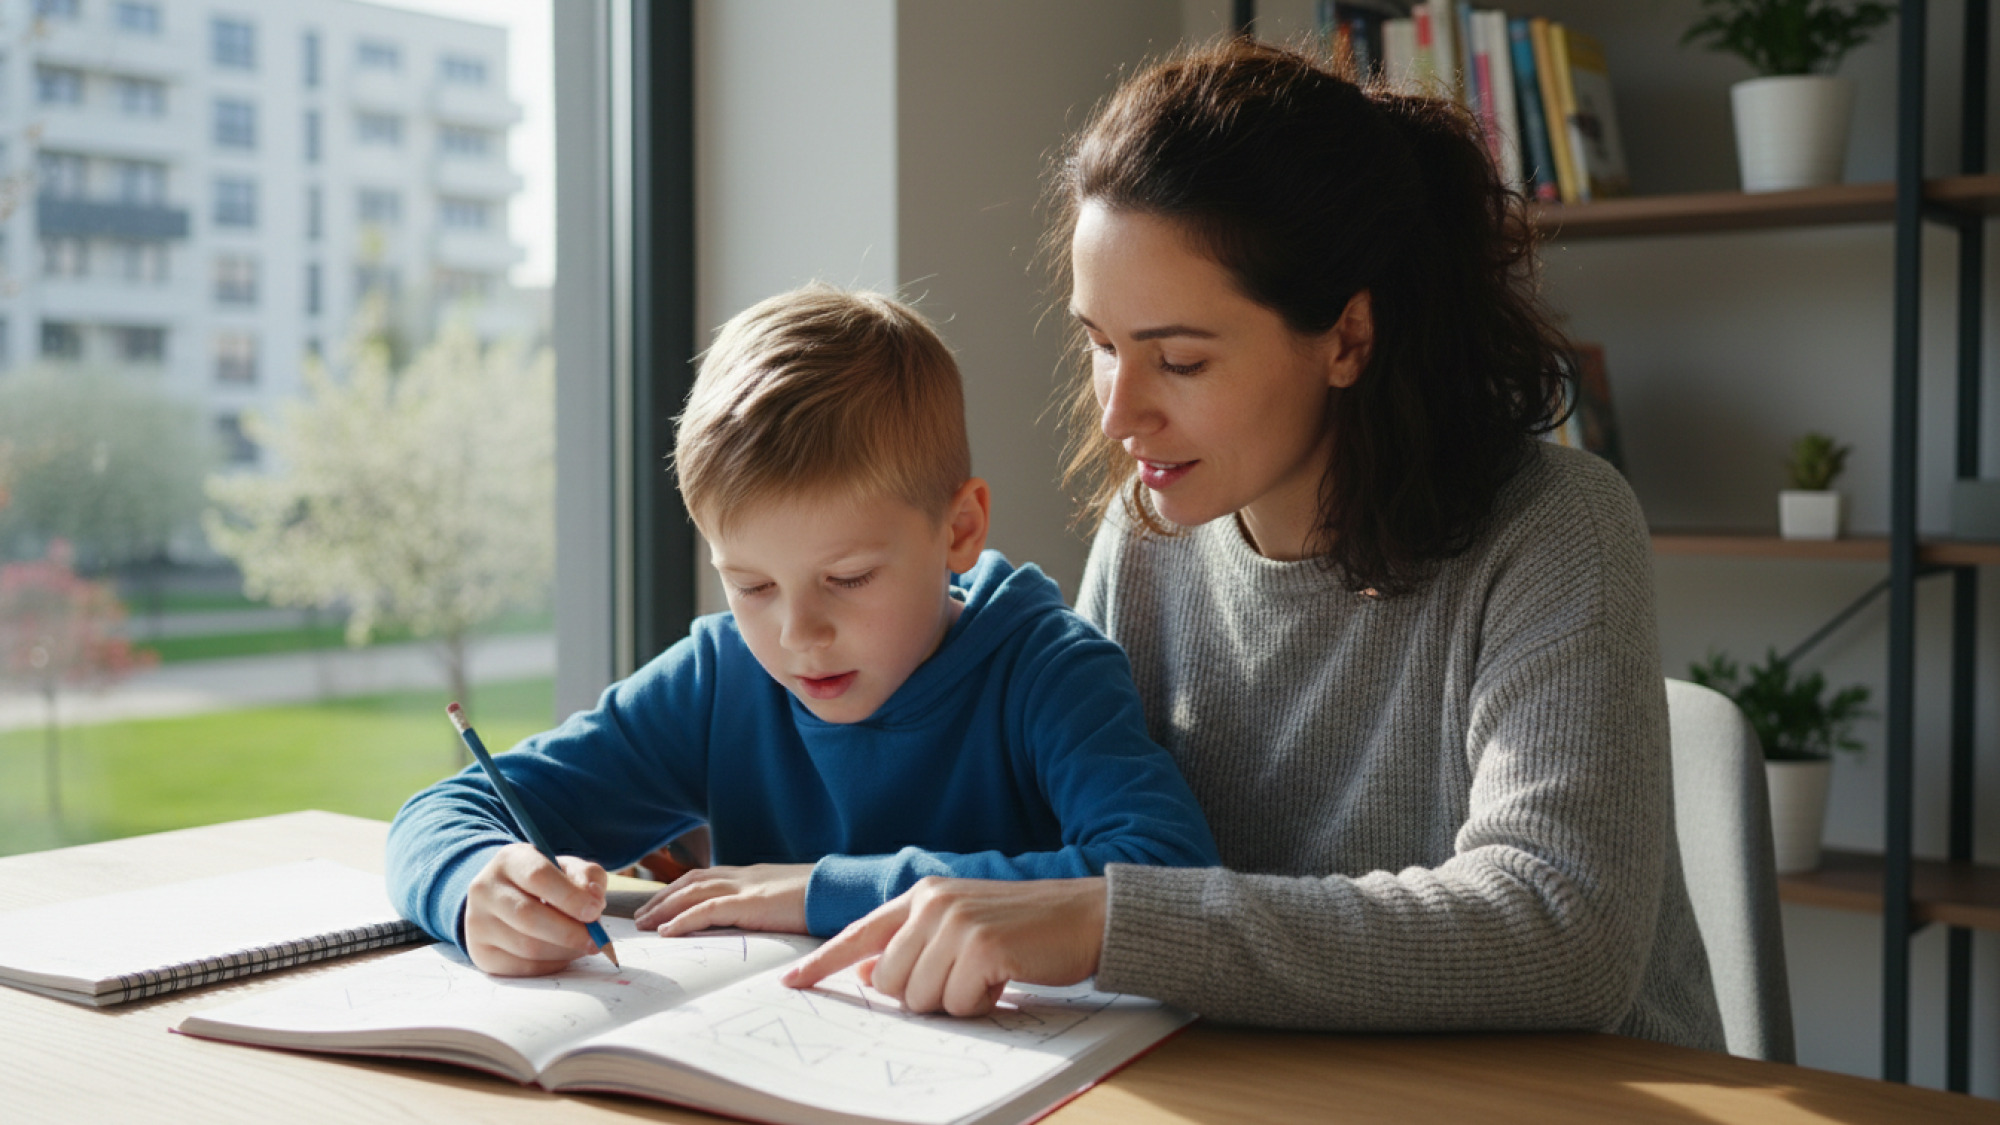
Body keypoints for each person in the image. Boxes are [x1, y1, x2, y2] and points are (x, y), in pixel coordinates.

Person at [781, 40, 1728, 1052]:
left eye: (1177, 360)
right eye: (1100, 346)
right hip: (1270, 1085)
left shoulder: (1553, 528)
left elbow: (1560, 928)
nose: (1116, 416)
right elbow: (1060, 850)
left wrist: (1115, 922)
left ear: (1347, 339)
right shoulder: (1144, 539)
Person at [385, 284, 1220, 976]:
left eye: (848, 579)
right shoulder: (721, 680)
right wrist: (474, 885)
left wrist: (823, 889)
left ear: (959, 529)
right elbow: (444, 812)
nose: (798, 634)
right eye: (749, 584)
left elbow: (1169, 880)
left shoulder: (1047, 672)